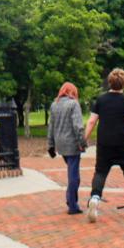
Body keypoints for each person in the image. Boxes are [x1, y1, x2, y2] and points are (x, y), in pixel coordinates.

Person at [83, 67, 124, 220]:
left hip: (104, 143)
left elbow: (91, 121)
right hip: (122, 143)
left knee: (100, 171)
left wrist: (84, 139)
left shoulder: (100, 100)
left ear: (109, 82)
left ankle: (95, 197)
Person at [46, 81, 86, 214]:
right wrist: (82, 143)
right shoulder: (74, 104)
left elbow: (51, 126)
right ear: (72, 92)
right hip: (72, 144)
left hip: (60, 145)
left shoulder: (54, 104)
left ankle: (71, 201)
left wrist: (51, 145)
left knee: (72, 173)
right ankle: (72, 205)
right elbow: (78, 126)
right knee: (74, 176)